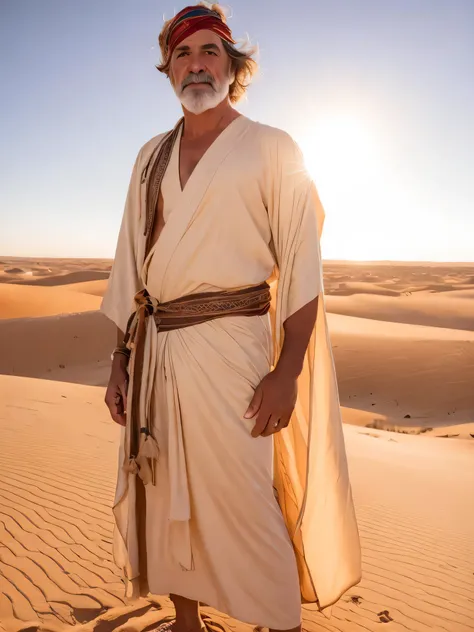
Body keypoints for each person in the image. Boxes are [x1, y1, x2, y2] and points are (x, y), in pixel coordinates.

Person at [101, 4, 361, 632]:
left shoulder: (272, 147)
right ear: (168, 72)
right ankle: (187, 622)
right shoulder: (150, 156)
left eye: (210, 52)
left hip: (236, 355)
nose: (196, 65)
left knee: (248, 503)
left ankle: (281, 622)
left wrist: (287, 369)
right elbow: (130, 263)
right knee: (162, 496)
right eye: (183, 56)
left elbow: (302, 266)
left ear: (234, 67)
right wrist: (118, 360)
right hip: (156, 354)